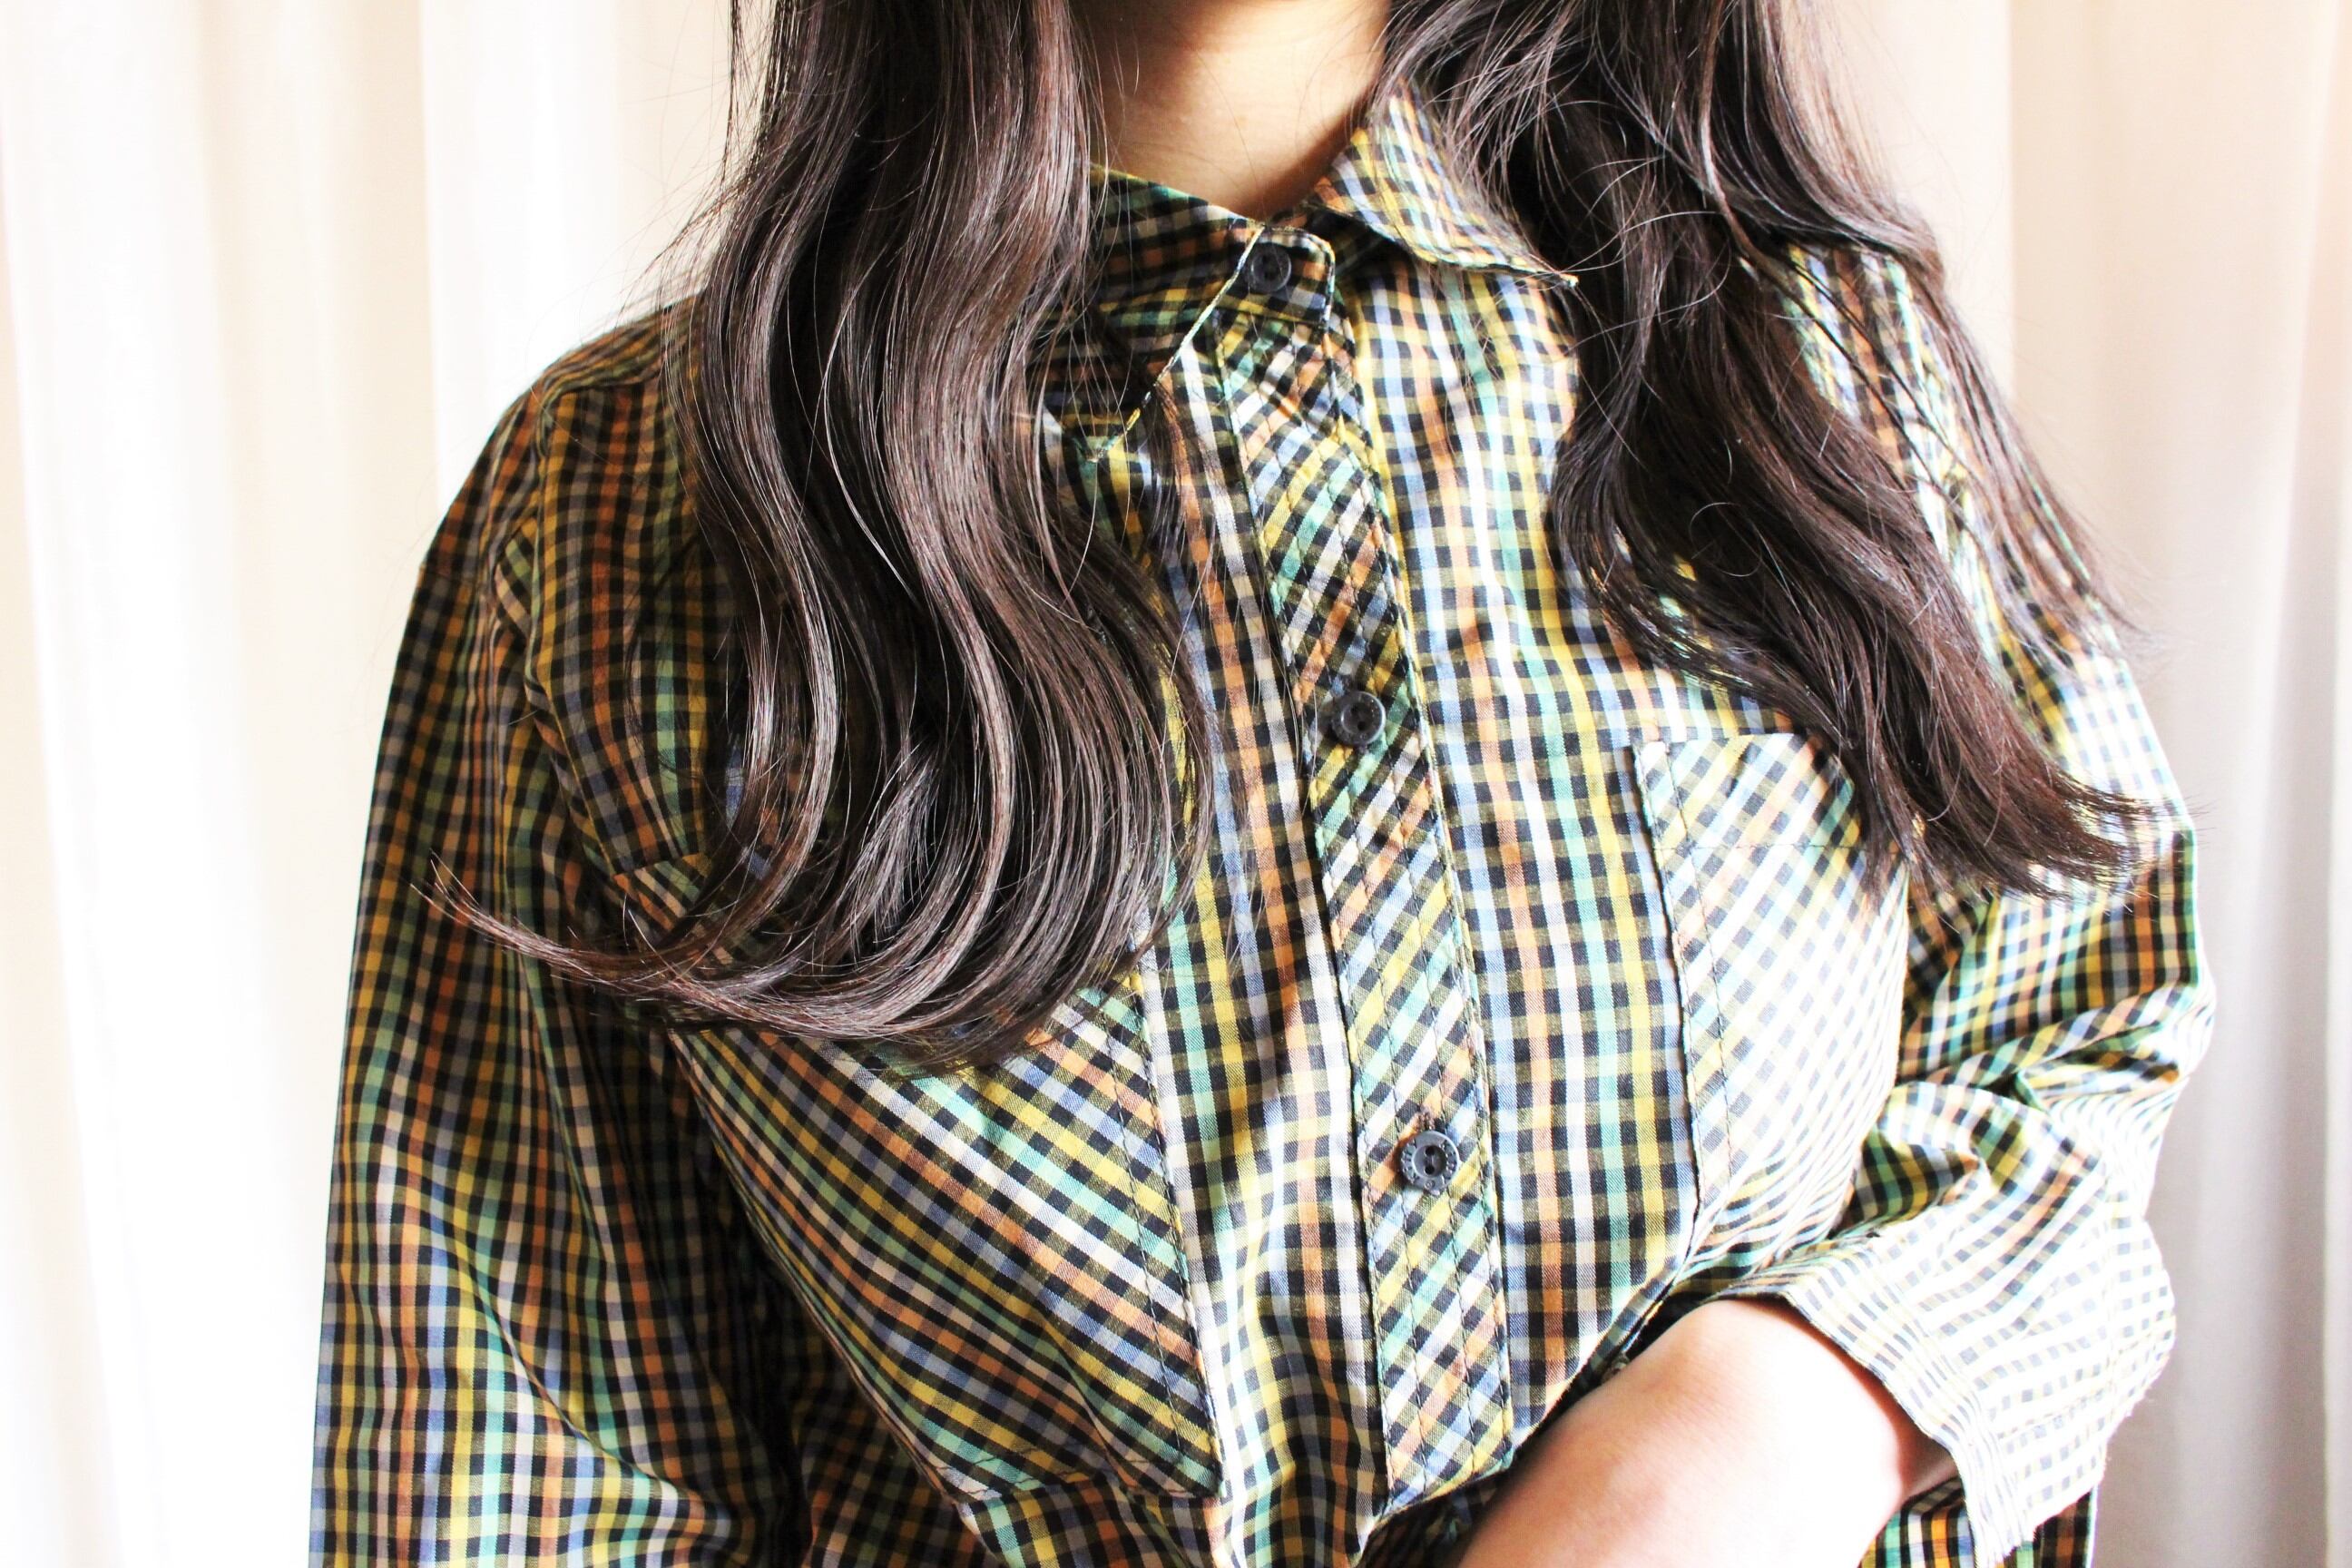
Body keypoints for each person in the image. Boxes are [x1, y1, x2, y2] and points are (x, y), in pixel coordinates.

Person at [306, 2, 2212, 1564]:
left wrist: (1782, 1405)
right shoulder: (615, 511)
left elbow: (2079, 1029)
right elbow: (527, 1457)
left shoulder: (1815, 370)